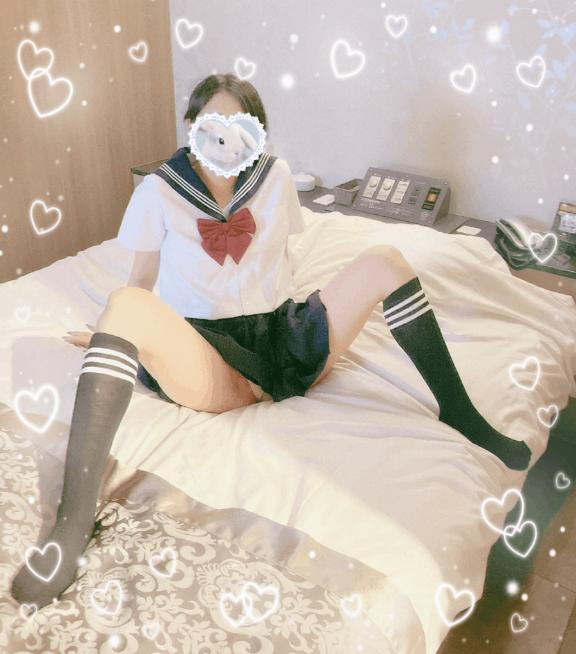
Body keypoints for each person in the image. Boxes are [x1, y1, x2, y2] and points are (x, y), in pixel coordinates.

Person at [11, 73, 532, 610]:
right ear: (191, 126)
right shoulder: (158, 191)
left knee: (386, 260)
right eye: (212, 124)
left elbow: (282, 260)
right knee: (126, 305)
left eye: (240, 126)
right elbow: (140, 281)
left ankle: (459, 411)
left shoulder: (275, 176)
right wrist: (112, 334)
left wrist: (314, 312)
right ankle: (72, 526)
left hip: (284, 339)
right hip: (208, 355)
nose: (225, 138)